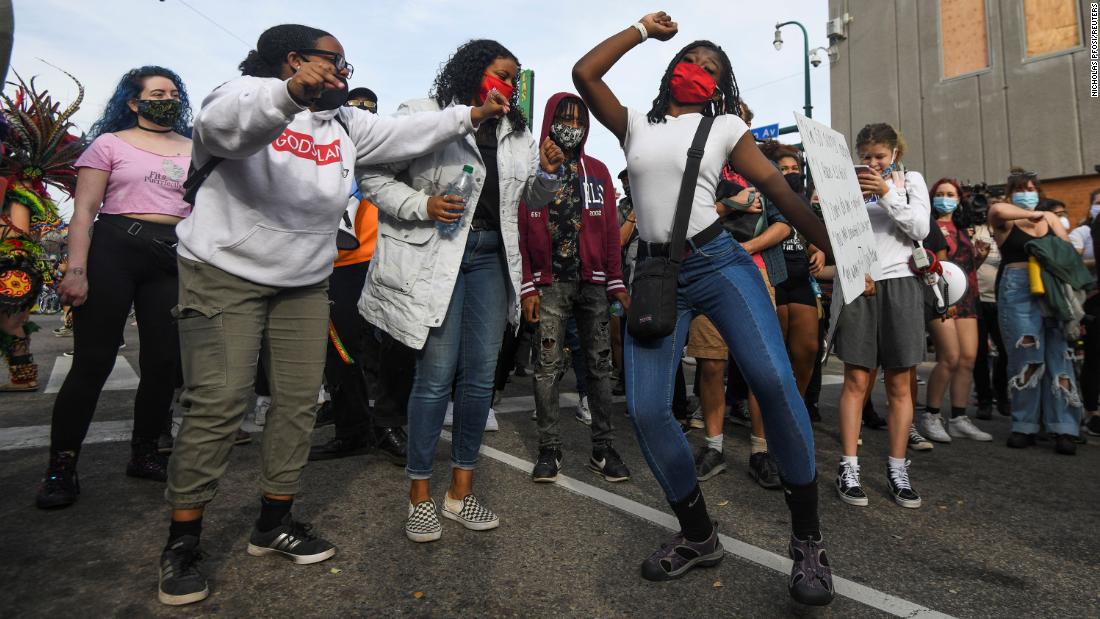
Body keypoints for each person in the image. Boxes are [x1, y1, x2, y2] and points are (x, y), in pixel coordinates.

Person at [155, 24, 509, 606]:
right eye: (335, 61)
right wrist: (288, 94)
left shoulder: (343, 122)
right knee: (218, 403)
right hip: (224, 271)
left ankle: (273, 522)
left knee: (297, 404)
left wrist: (470, 116)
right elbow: (225, 130)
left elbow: (404, 133)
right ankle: (183, 540)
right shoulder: (239, 93)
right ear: (295, 60)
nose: (345, 72)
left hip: (302, 281)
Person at [574, 12, 835, 605]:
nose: (699, 72)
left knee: (773, 382)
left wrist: (827, 235)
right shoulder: (634, 123)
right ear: (672, 71)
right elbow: (584, 73)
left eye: (711, 69)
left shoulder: (723, 129)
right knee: (644, 408)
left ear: (721, 87)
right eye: (691, 61)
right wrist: (640, 30)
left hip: (719, 261)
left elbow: (776, 188)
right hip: (657, 274)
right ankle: (698, 535)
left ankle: (809, 545)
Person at [358, 39, 563, 544]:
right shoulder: (424, 114)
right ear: (474, 74)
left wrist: (550, 171)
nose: (510, 86)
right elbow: (373, 174)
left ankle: (460, 491)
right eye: (501, 75)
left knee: (479, 381)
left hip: (493, 259)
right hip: (439, 256)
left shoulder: (517, 130)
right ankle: (420, 497)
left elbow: (524, 200)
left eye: (515, 79)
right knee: (435, 376)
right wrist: (420, 205)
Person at [34, 67, 192, 509]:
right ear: (133, 102)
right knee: (94, 361)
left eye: (175, 93)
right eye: (158, 93)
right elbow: (83, 212)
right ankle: (60, 467)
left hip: (173, 255)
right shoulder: (109, 144)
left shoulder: (196, 147)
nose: (169, 99)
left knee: (164, 361)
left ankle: (144, 453)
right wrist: (76, 270)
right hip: (114, 250)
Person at [520, 92, 630, 483]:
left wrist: (616, 281)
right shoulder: (532, 170)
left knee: (600, 367)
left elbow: (611, 235)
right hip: (550, 284)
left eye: (579, 120)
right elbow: (521, 229)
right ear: (550, 120)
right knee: (547, 368)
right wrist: (528, 286)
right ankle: (549, 449)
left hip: (594, 283)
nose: (572, 126)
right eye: (564, 118)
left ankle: (603, 448)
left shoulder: (597, 171)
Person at [308, 88, 411, 463]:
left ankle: (387, 423)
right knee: (343, 352)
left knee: (393, 348)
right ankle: (352, 428)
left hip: (383, 259)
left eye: (370, 109)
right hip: (335, 264)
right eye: (356, 108)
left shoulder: (381, 148)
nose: (363, 113)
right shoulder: (322, 145)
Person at [834, 122, 930, 510]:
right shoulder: (847, 185)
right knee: (857, 377)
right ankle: (849, 466)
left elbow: (920, 228)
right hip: (862, 282)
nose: (872, 164)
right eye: (866, 157)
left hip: (902, 282)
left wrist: (888, 192)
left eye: (880, 156)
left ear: (895, 153)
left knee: (900, 382)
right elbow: (838, 233)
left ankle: (897, 467)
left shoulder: (912, 181)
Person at [989, 169, 1082, 455]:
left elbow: (1069, 254)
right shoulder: (1005, 219)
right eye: (1020, 189)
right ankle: (1024, 425)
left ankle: (1064, 427)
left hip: (1053, 291)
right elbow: (996, 209)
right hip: (1018, 290)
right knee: (1026, 357)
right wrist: (1026, 215)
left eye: (1031, 189)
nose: (1027, 193)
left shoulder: (1052, 218)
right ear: (1011, 193)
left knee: (1060, 356)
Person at [0, 72, 75, 391]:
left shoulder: (18, 187)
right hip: (14, 265)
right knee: (11, 323)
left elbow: (15, 235)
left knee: (11, 323)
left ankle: (23, 377)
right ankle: (22, 376)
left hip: (12, 265)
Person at [919, 178, 992, 443]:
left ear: (959, 199)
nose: (946, 198)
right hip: (940, 298)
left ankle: (959, 417)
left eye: (951, 194)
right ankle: (932, 414)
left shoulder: (964, 228)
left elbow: (963, 265)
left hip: (967, 298)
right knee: (949, 357)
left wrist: (980, 256)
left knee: (968, 358)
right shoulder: (925, 224)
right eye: (941, 193)